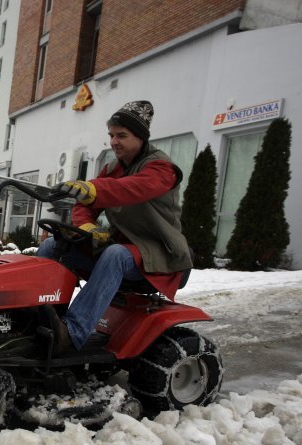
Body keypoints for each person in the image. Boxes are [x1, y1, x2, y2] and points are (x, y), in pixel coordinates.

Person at [37, 100, 192, 353]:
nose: (114, 141)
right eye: (111, 135)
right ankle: (43, 317)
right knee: (52, 245)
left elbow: (130, 189)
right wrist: (86, 225)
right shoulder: (113, 169)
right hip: (126, 250)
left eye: (122, 135)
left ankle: (72, 332)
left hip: (159, 254)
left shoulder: (162, 169)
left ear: (140, 137)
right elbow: (86, 203)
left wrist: (94, 189)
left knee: (115, 254)